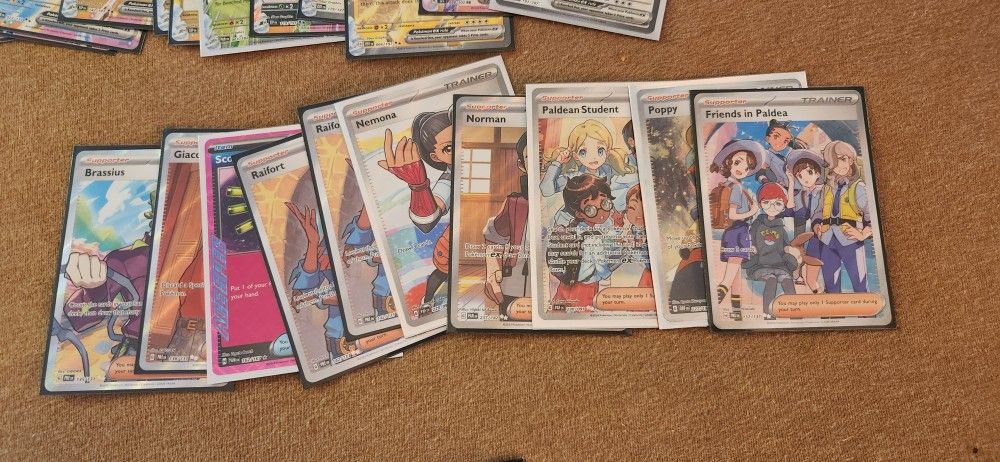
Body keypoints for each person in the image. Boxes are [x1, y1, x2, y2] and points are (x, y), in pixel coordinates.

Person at [709, 139, 764, 317]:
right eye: (738, 162)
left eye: (747, 167)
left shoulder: (726, 184)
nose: (742, 168)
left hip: (730, 233)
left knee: (736, 275)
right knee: (728, 278)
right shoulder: (737, 188)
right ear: (729, 162)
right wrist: (752, 211)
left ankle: (737, 312)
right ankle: (713, 305)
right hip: (738, 232)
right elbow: (732, 215)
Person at [483, 133, 530, 321]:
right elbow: (493, 236)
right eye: (532, 158)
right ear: (522, 165)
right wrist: (492, 269)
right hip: (513, 283)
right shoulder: (515, 203)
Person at [817, 141, 873, 293]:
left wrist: (863, 234)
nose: (839, 165)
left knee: (860, 286)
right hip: (827, 240)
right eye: (834, 162)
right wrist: (816, 226)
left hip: (851, 241)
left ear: (851, 160)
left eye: (843, 159)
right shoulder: (826, 188)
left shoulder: (858, 187)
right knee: (831, 288)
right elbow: (818, 212)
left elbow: (871, 217)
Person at [539, 119, 635, 199]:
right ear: (576, 156)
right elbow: (546, 191)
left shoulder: (608, 170)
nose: (593, 157)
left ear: (607, 152)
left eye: (600, 150)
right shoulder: (574, 178)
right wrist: (557, 162)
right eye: (583, 152)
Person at [743, 183, 798, 319]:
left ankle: (795, 312)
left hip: (779, 266)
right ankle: (768, 313)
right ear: (761, 204)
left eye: (777, 203)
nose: (772, 207)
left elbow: (785, 247)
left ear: (783, 207)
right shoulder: (757, 224)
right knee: (771, 279)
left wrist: (790, 252)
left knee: (787, 280)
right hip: (760, 265)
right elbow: (749, 240)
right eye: (767, 202)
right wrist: (751, 248)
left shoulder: (781, 228)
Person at [783, 149, 827, 293]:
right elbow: (790, 207)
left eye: (809, 172)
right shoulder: (801, 194)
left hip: (824, 232)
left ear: (818, 174)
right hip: (808, 233)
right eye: (800, 176)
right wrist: (791, 182)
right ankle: (798, 273)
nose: (805, 178)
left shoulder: (824, 190)